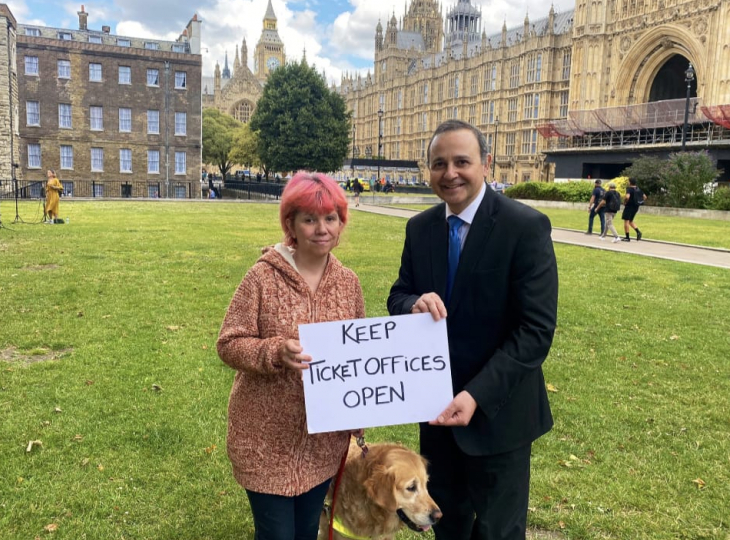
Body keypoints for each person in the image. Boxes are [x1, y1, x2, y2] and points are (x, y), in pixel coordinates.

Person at [387, 120, 558, 540]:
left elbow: (535, 330)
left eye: (462, 161)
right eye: (439, 163)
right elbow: (399, 295)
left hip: (499, 416)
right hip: (437, 412)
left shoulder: (524, 226)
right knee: (447, 523)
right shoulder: (420, 228)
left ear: (486, 163)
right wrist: (413, 303)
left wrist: (476, 395)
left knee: (500, 529)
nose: (450, 173)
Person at [216, 171, 365, 540]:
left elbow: (359, 357)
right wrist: (274, 351)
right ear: (291, 224)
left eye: (330, 218)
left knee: (305, 533)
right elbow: (229, 342)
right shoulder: (262, 278)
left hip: (322, 445)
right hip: (264, 440)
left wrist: (359, 412)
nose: (321, 228)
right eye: (309, 219)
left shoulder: (349, 284)